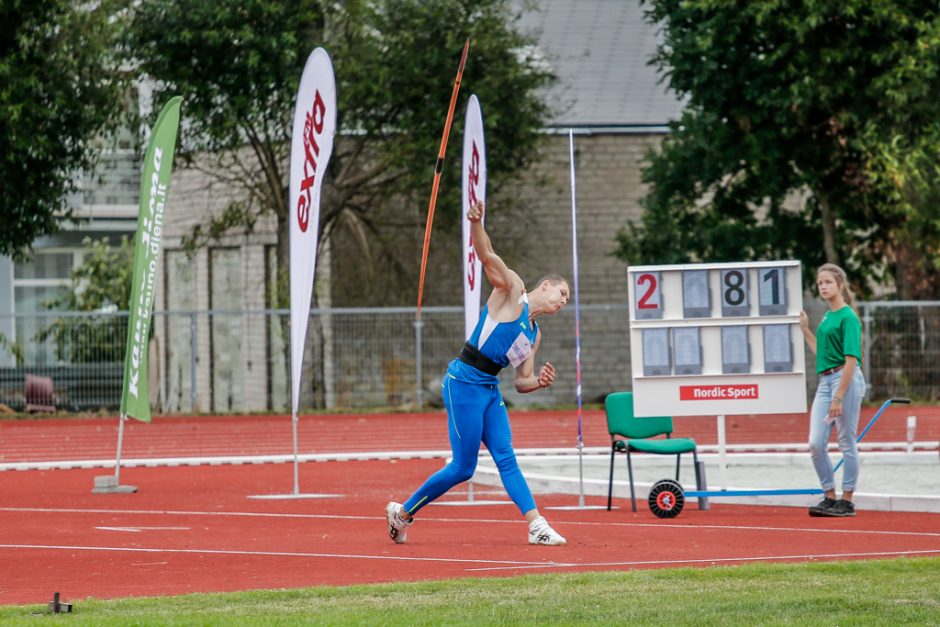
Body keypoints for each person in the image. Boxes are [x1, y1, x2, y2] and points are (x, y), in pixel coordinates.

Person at [386, 199, 570, 545]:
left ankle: (536, 525)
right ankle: (403, 512)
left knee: (506, 457)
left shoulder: (535, 333)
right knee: (463, 468)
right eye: (562, 293)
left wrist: (540, 383)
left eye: (567, 301)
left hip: (488, 391)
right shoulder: (512, 291)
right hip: (464, 382)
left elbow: (521, 382)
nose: (562, 302)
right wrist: (476, 222)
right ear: (545, 285)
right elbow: (486, 255)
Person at [799, 263, 866, 517]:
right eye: (820, 283)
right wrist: (805, 330)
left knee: (846, 441)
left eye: (827, 282)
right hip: (825, 381)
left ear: (840, 284)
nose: (823, 287)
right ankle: (829, 495)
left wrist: (839, 395)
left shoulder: (848, 317)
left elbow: (851, 360)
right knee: (816, 443)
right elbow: (823, 355)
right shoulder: (828, 317)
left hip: (844, 381)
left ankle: (847, 500)